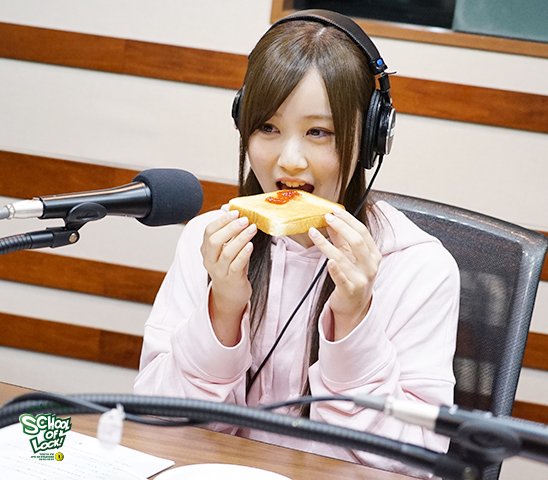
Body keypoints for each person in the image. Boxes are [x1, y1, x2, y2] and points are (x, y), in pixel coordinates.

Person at [134, 10, 460, 477]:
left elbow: (414, 462)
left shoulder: (419, 268)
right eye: (268, 127)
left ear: (370, 137)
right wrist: (222, 310)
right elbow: (155, 422)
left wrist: (354, 320)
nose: (289, 160)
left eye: (318, 132)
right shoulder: (207, 245)